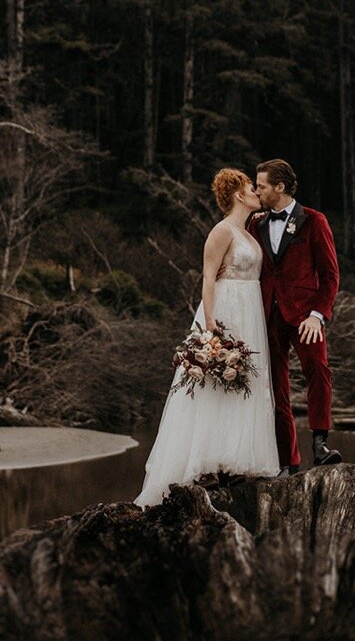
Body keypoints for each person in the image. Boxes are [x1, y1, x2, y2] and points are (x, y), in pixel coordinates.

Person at [134, 168, 281, 506]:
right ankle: (206, 462)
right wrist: (211, 322)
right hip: (227, 307)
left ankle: (234, 460)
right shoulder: (222, 230)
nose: (257, 192)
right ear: (237, 195)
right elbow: (208, 278)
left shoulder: (247, 232)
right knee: (214, 384)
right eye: (250, 187)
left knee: (243, 381)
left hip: (250, 310)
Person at [249, 158, 342, 473]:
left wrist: (318, 314)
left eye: (261, 185)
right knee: (276, 388)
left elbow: (330, 276)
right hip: (267, 316)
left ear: (280, 186)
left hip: (305, 317)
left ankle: (320, 444)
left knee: (318, 370)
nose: (256, 190)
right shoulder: (256, 223)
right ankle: (288, 461)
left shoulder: (314, 221)